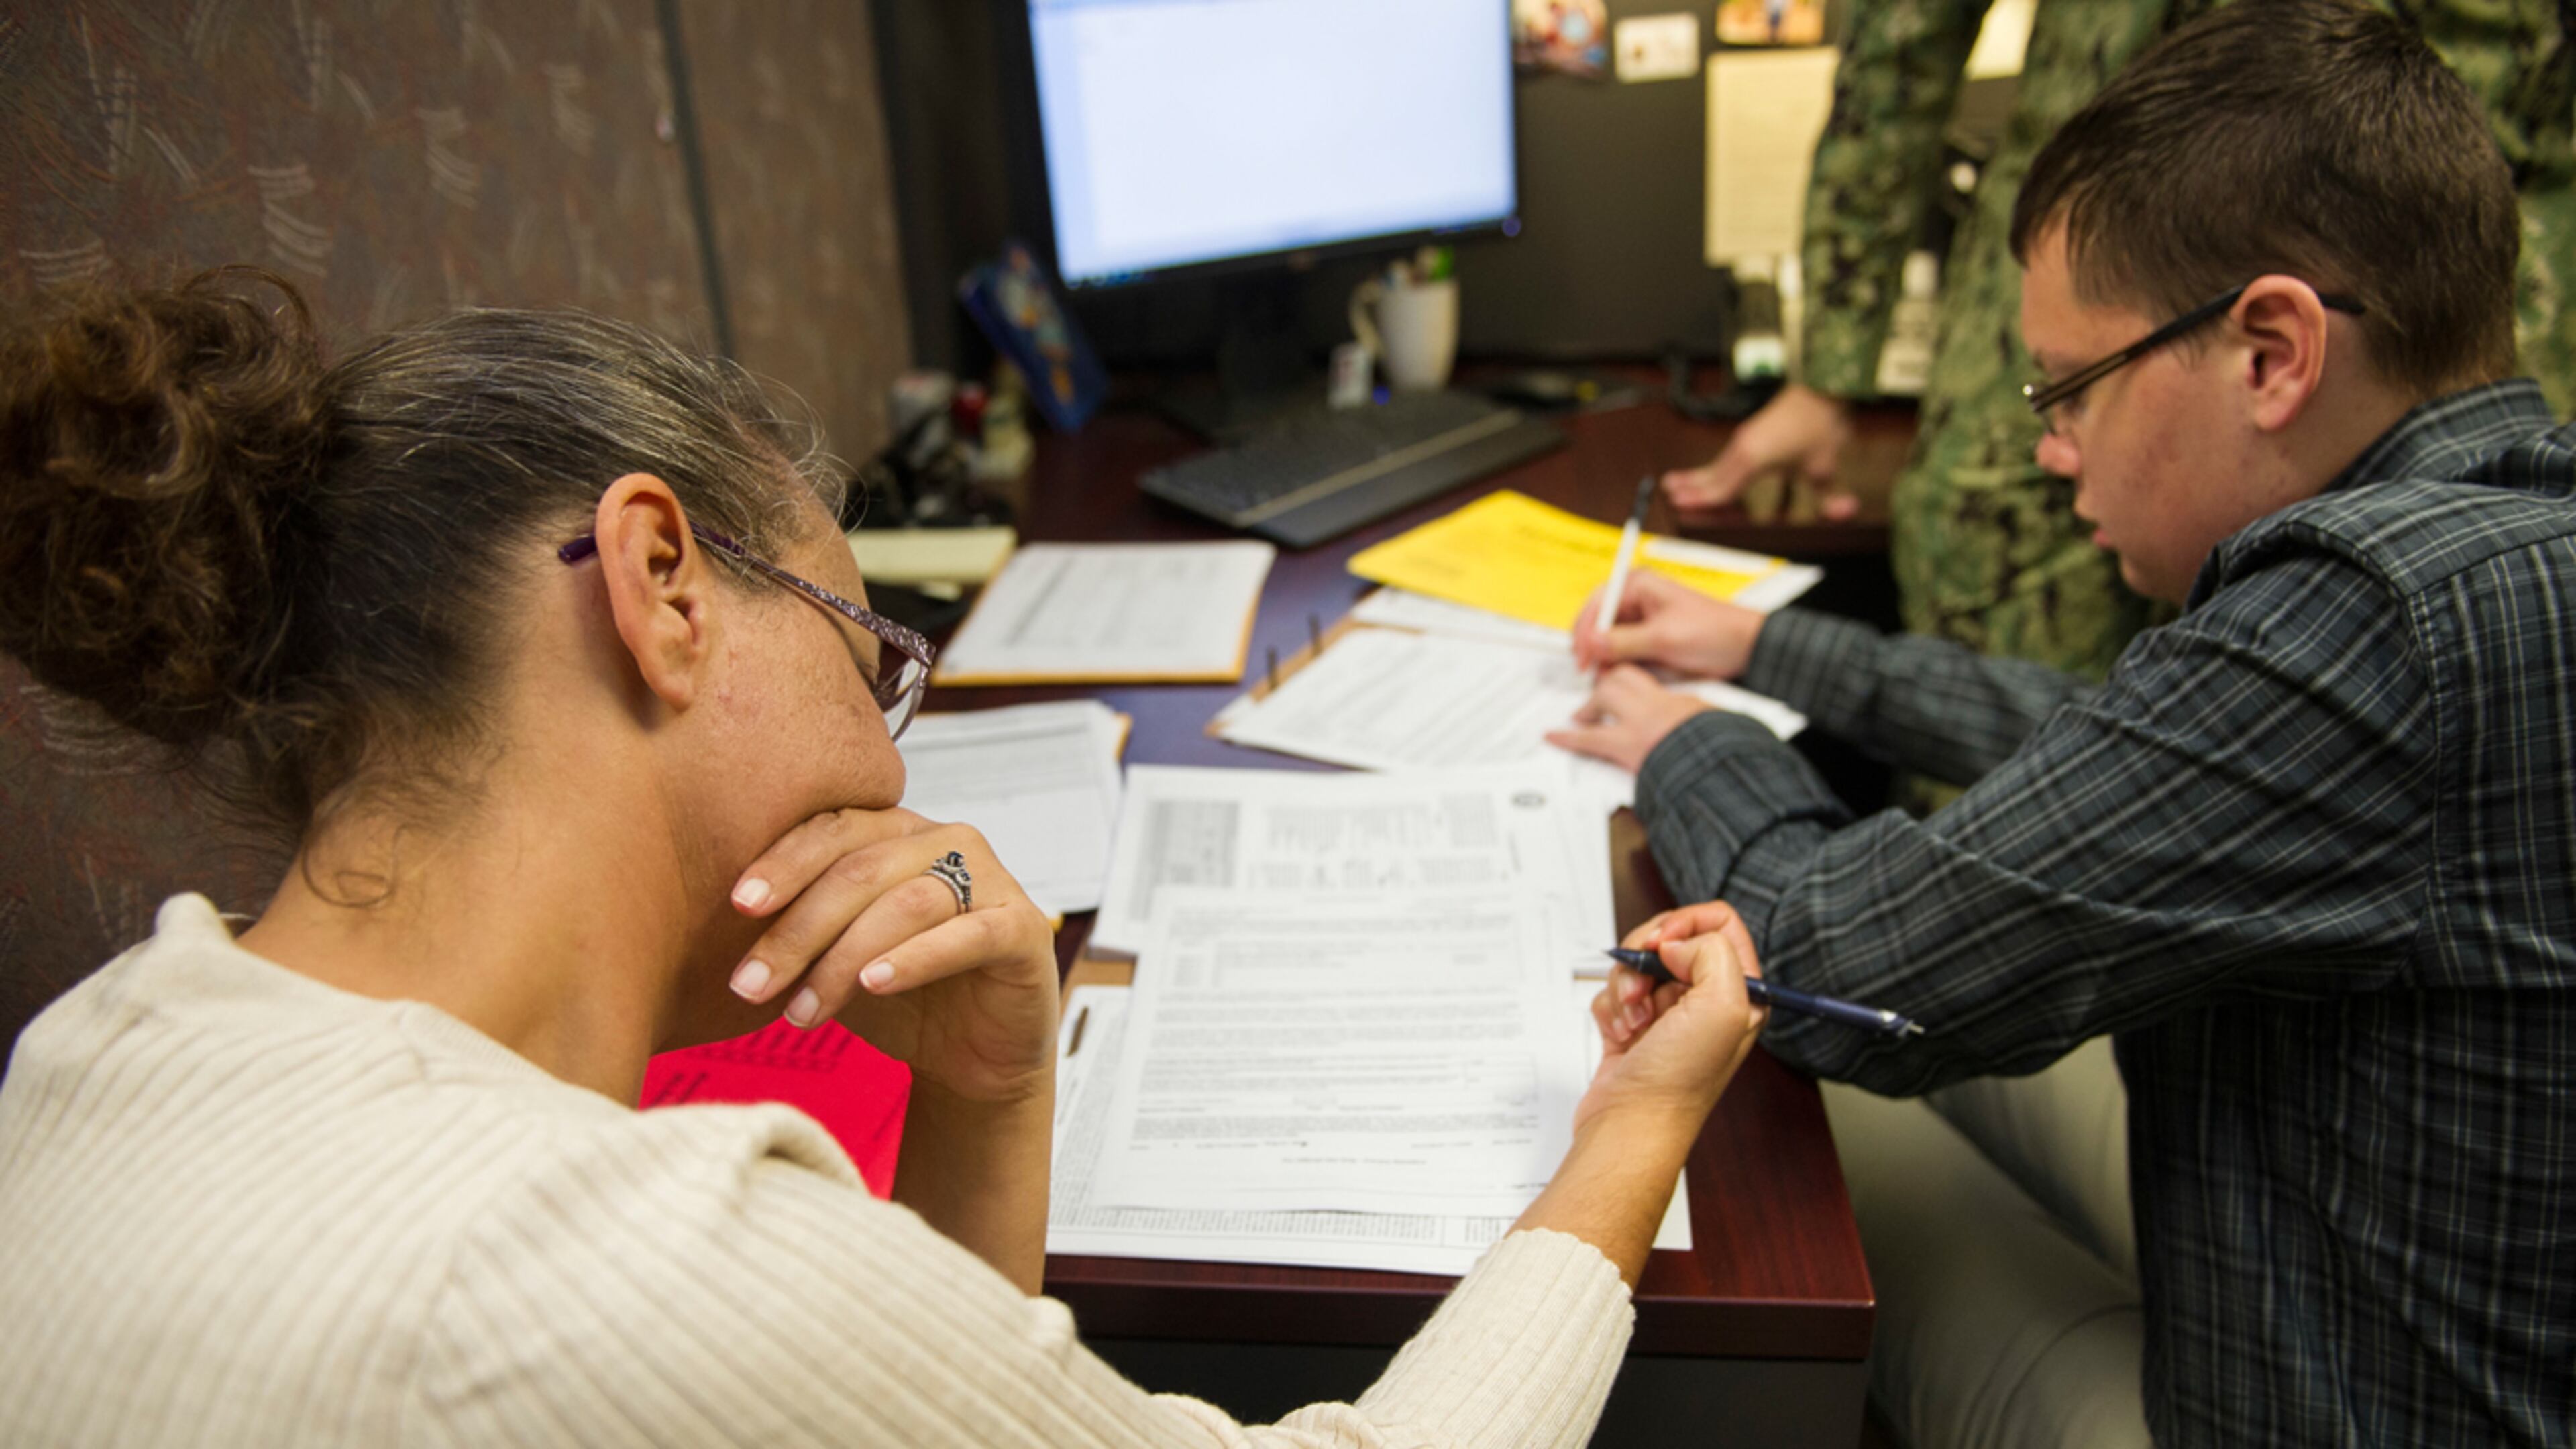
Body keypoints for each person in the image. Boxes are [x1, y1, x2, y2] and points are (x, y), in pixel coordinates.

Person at [0, 271, 1768, 1446]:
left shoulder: (102, 1047)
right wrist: (1634, 1128)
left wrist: (992, 1088)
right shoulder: (600, 1265)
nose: (883, 754)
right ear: (664, 588)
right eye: (868, 653)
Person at [1552, 1, 2575, 1444]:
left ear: (2273, 351)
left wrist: (1682, 743)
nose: (2046, 449)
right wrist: (1767, 645)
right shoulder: (2502, 535)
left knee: (1797, 1133)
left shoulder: (2364, 625)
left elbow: (1834, 958)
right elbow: (2120, 734)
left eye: (2071, 389)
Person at [1669, 0, 2574, 680]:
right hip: (2087, 241)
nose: (2060, 452)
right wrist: (1832, 365)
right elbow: (1902, 47)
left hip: (2446, 274)